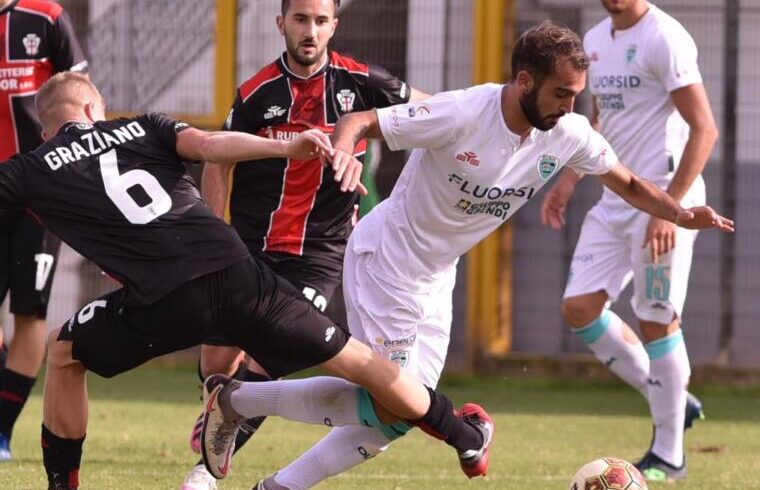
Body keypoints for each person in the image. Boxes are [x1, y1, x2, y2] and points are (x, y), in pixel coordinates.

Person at [234, 20, 734, 490]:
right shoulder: (464, 111)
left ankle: (270, 472)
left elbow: (625, 180)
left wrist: (678, 212)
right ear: (524, 81)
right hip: (388, 261)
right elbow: (359, 120)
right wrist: (342, 152)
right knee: (396, 404)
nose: (571, 106)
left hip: (435, 275)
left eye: (577, 95)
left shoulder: (570, 133)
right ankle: (238, 398)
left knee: (398, 418)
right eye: (561, 93)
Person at [0, 72, 492, 490]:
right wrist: (289, 146)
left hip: (164, 303)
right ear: (93, 107)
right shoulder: (142, 125)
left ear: (46, 132)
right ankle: (465, 437)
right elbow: (213, 146)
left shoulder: (28, 169)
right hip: (241, 278)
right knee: (362, 363)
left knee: (65, 354)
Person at [183, 0, 428, 487]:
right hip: (250, 249)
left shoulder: (361, 82)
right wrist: (215, 234)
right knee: (215, 365)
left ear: (334, 26)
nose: (310, 31)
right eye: (300, 20)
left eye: (320, 21)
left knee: (269, 357)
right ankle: (224, 405)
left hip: (317, 256)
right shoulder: (256, 92)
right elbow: (216, 161)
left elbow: (436, 113)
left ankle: (204, 475)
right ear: (282, 24)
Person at [540, 1, 718, 481]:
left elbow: (705, 128)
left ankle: (669, 455)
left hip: (664, 196)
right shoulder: (595, 41)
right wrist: (570, 179)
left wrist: (673, 211)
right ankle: (671, 400)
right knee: (578, 307)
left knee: (655, 317)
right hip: (616, 201)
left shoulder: (666, 36)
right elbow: (599, 119)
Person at [0, 0, 87, 462]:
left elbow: (81, 95)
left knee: (30, 313)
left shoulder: (47, 17)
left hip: (40, 192)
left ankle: (1, 433)